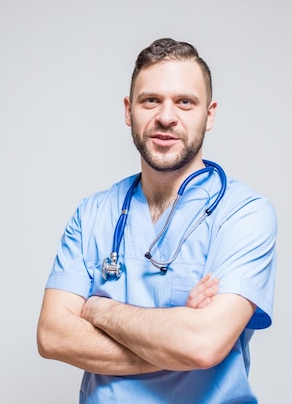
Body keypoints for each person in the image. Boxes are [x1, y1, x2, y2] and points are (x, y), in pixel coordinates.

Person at [36, 37, 278, 404]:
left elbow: (202, 345)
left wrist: (101, 309)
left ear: (208, 114)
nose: (166, 117)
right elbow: (53, 336)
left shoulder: (243, 213)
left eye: (185, 102)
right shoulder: (93, 215)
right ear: (128, 110)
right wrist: (172, 338)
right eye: (151, 100)